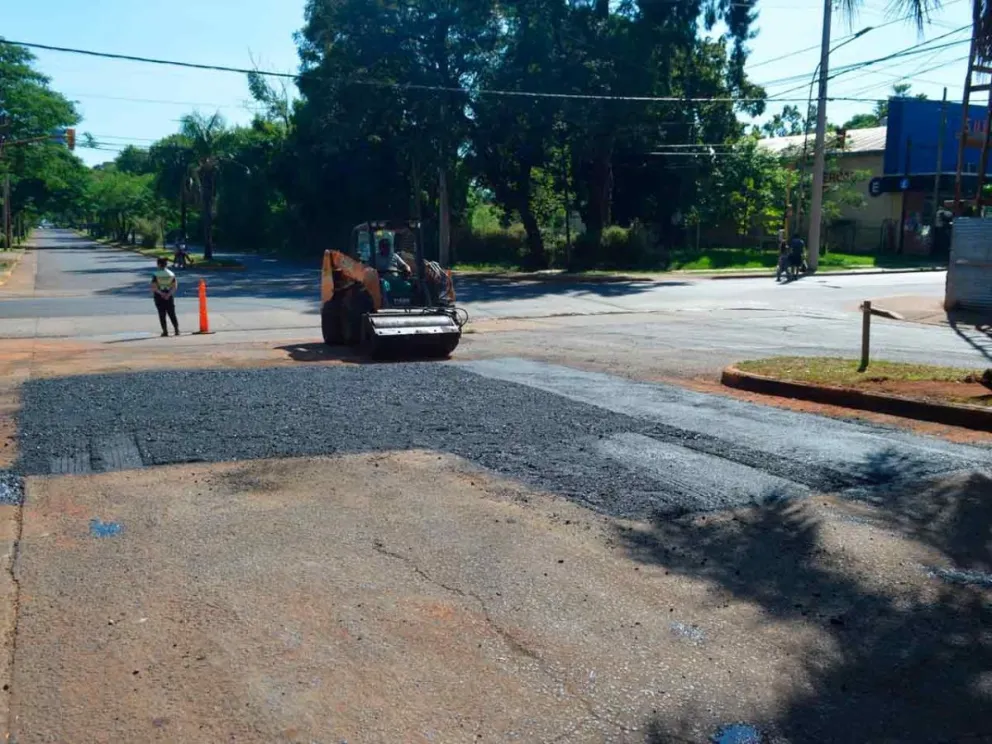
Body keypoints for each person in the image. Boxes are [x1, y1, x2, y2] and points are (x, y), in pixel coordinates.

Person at [150, 257, 180, 337]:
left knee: (162, 314)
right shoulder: (171, 274)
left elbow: (154, 287)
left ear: (159, 264)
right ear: (166, 265)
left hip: (159, 296)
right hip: (169, 295)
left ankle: (165, 331)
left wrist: (161, 293)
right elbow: (175, 286)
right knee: (172, 313)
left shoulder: (156, 274)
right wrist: (168, 294)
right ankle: (176, 330)